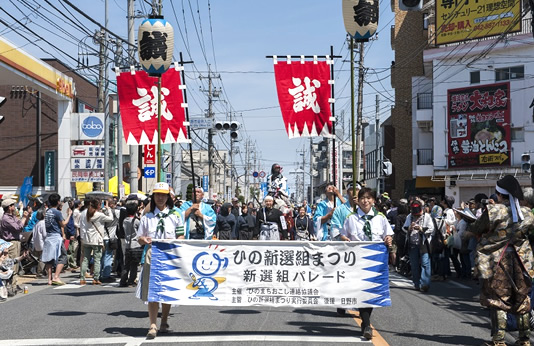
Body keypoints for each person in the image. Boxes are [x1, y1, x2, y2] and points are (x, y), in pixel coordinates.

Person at [467, 176, 534, 346]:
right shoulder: (527, 213)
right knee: (522, 298)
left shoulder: (494, 211)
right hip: (522, 260)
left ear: (499, 194)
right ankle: (524, 339)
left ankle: (498, 340)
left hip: (498, 260)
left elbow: (476, 227)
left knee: (498, 298)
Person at [340, 187, 393, 340]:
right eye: (362, 198)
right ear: (358, 200)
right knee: (361, 291)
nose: (365, 200)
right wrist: (344, 239)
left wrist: (388, 239)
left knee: (371, 291)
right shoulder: (351, 218)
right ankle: (367, 324)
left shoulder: (380, 217)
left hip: (376, 260)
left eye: (369, 198)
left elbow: (387, 234)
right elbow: (344, 235)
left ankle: (365, 322)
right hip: (357, 259)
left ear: (373, 201)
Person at [136, 182, 185, 339]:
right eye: (157, 195)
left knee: (167, 290)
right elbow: (139, 238)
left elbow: (181, 236)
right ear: (153, 197)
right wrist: (145, 239)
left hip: (170, 256)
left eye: (163, 195)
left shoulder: (175, 216)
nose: (160, 198)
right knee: (152, 291)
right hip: (152, 256)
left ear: (168, 197)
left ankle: (164, 321)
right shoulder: (147, 218)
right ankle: (152, 324)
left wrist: (175, 242)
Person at [78, 198, 114, 285]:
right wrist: (108, 209)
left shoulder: (83, 213)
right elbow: (110, 219)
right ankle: (96, 278)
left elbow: (81, 225)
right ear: (98, 205)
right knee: (97, 259)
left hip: (86, 239)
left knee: (85, 259)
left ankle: (82, 278)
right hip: (96, 240)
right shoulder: (99, 215)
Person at [41, 193, 72, 286]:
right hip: (56, 237)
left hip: (48, 236)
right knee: (63, 256)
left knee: (49, 259)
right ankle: (56, 277)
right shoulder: (57, 212)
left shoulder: (47, 211)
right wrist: (69, 215)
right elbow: (63, 224)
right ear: (58, 202)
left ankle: (49, 279)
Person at [402, 200, 434, 292]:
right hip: (412, 244)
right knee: (414, 265)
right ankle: (416, 283)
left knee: (425, 263)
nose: (416, 215)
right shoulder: (409, 216)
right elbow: (403, 228)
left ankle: (425, 284)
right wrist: (409, 228)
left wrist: (421, 228)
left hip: (423, 244)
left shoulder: (427, 217)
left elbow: (431, 228)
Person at [0, 198, 29, 290]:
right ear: (9, 207)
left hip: (16, 241)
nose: (14, 206)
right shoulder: (6, 218)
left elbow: (22, 224)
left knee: (16, 264)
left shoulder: (12, 216)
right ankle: (11, 286)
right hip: (11, 242)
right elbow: (18, 227)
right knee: (12, 263)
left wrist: (25, 218)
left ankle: (14, 284)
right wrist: (24, 218)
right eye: (13, 205)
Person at [119, 200, 142, 287]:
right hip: (135, 244)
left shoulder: (125, 220)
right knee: (134, 265)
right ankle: (131, 281)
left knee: (126, 264)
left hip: (127, 244)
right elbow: (140, 231)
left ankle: (123, 280)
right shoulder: (136, 221)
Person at [101, 198, 120, 283]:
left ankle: (99, 274)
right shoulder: (115, 212)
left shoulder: (101, 212)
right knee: (108, 256)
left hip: (102, 236)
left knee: (102, 256)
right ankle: (106, 275)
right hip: (110, 237)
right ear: (112, 204)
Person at [32, 209, 47, 278]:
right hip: (42, 243)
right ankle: (39, 272)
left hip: (36, 244)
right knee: (42, 259)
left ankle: (44, 271)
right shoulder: (43, 223)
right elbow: (45, 234)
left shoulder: (36, 224)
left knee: (40, 258)